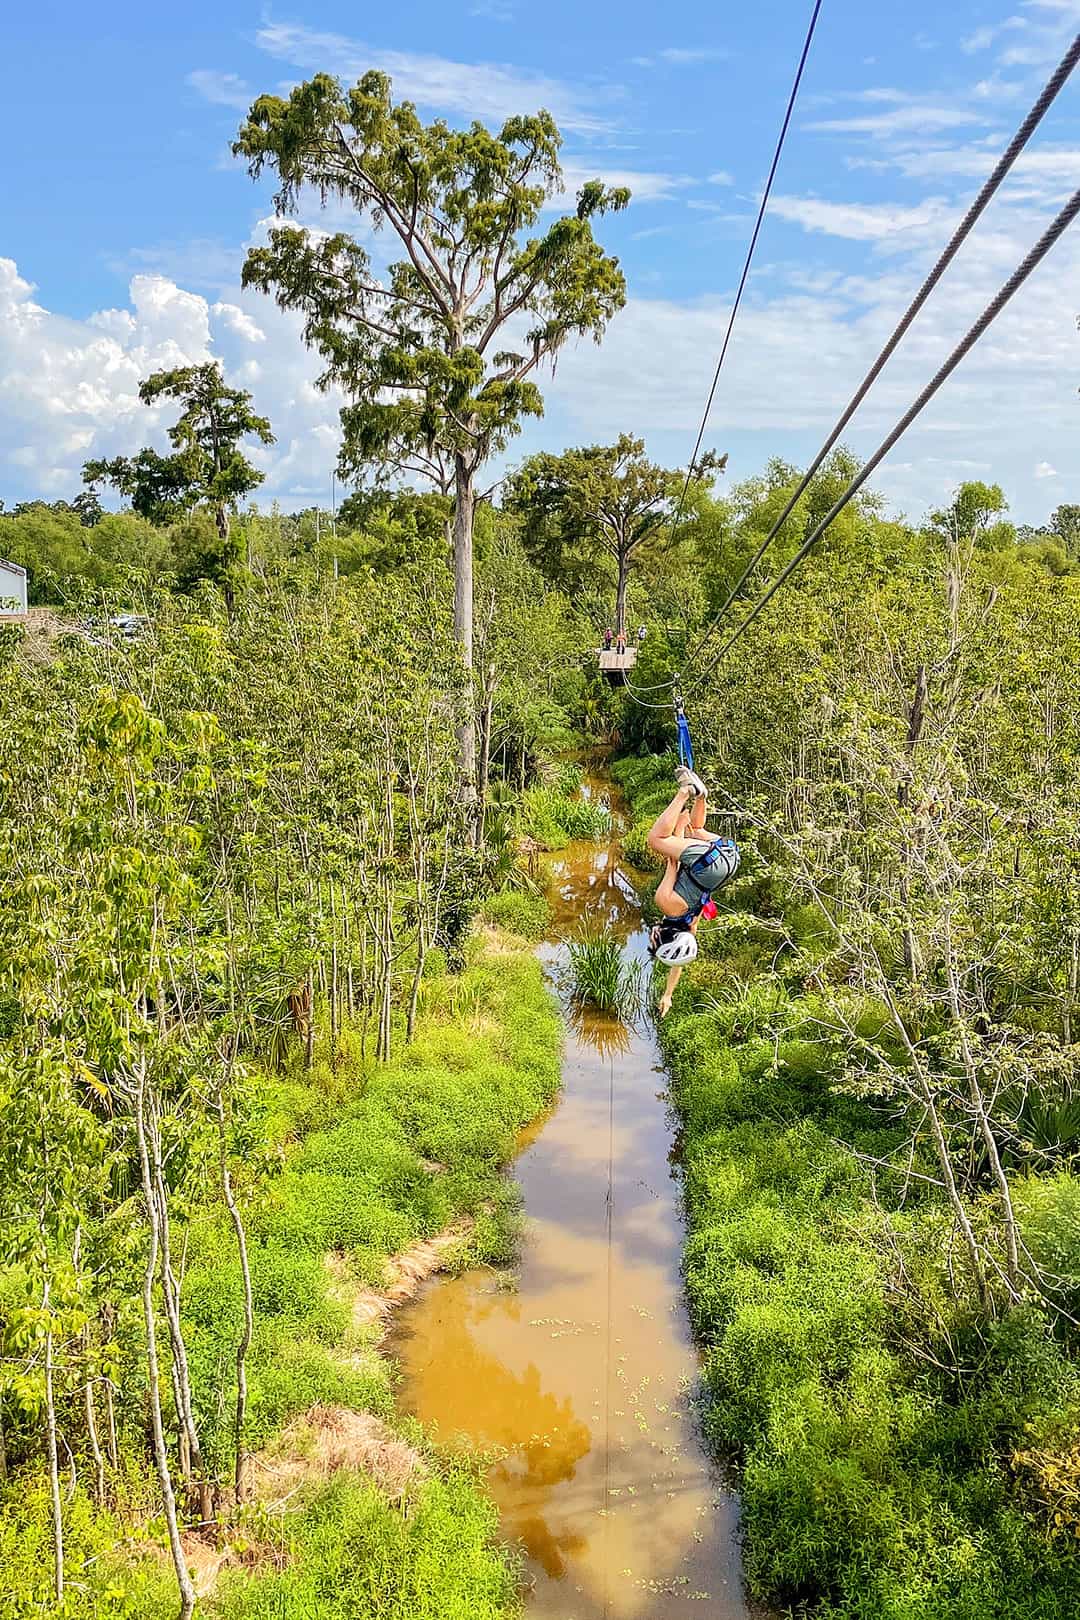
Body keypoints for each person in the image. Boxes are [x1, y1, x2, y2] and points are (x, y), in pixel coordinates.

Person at [646, 767, 739, 1016]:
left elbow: (677, 966)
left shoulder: (690, 925)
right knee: (655, 839)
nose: (651, 937)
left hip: (729, 859)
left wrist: (668, 995)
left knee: (694, 830)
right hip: (710, 865)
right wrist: (676, 824)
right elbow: (671, 861)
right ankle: (686, 790)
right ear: (662, 936)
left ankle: (702, 796)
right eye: (654, 941)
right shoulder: (665, 902)